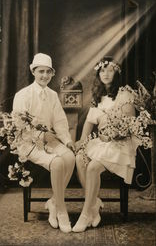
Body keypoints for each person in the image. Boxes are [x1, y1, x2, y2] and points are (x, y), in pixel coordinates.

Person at [72, 56, 138, 232]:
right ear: (98, 74)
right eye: (102, 70)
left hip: (120, 144)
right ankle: (94, 206)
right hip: (102, 141)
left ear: (116, 72)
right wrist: (82, 140)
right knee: (79, 157)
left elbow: (130, 125)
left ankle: (86, 214)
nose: (106, 74)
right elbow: (89, 122)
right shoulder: (98, 96)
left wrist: (115, 134)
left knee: (93, 167)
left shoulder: (125, 94)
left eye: (110, 70)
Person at [13, 53, 75, 233]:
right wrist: (41, 136)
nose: (45, 76)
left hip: (49, 140)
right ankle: (62, 211)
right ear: (33, 71)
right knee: (57, 163)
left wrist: (68, 141)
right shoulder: (22, 95)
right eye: (41, 71)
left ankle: (54, 202)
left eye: (48, 72)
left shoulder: (53, 95)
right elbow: (19, 126)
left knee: (70, 157)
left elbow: (60, 122)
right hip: (29, 144)